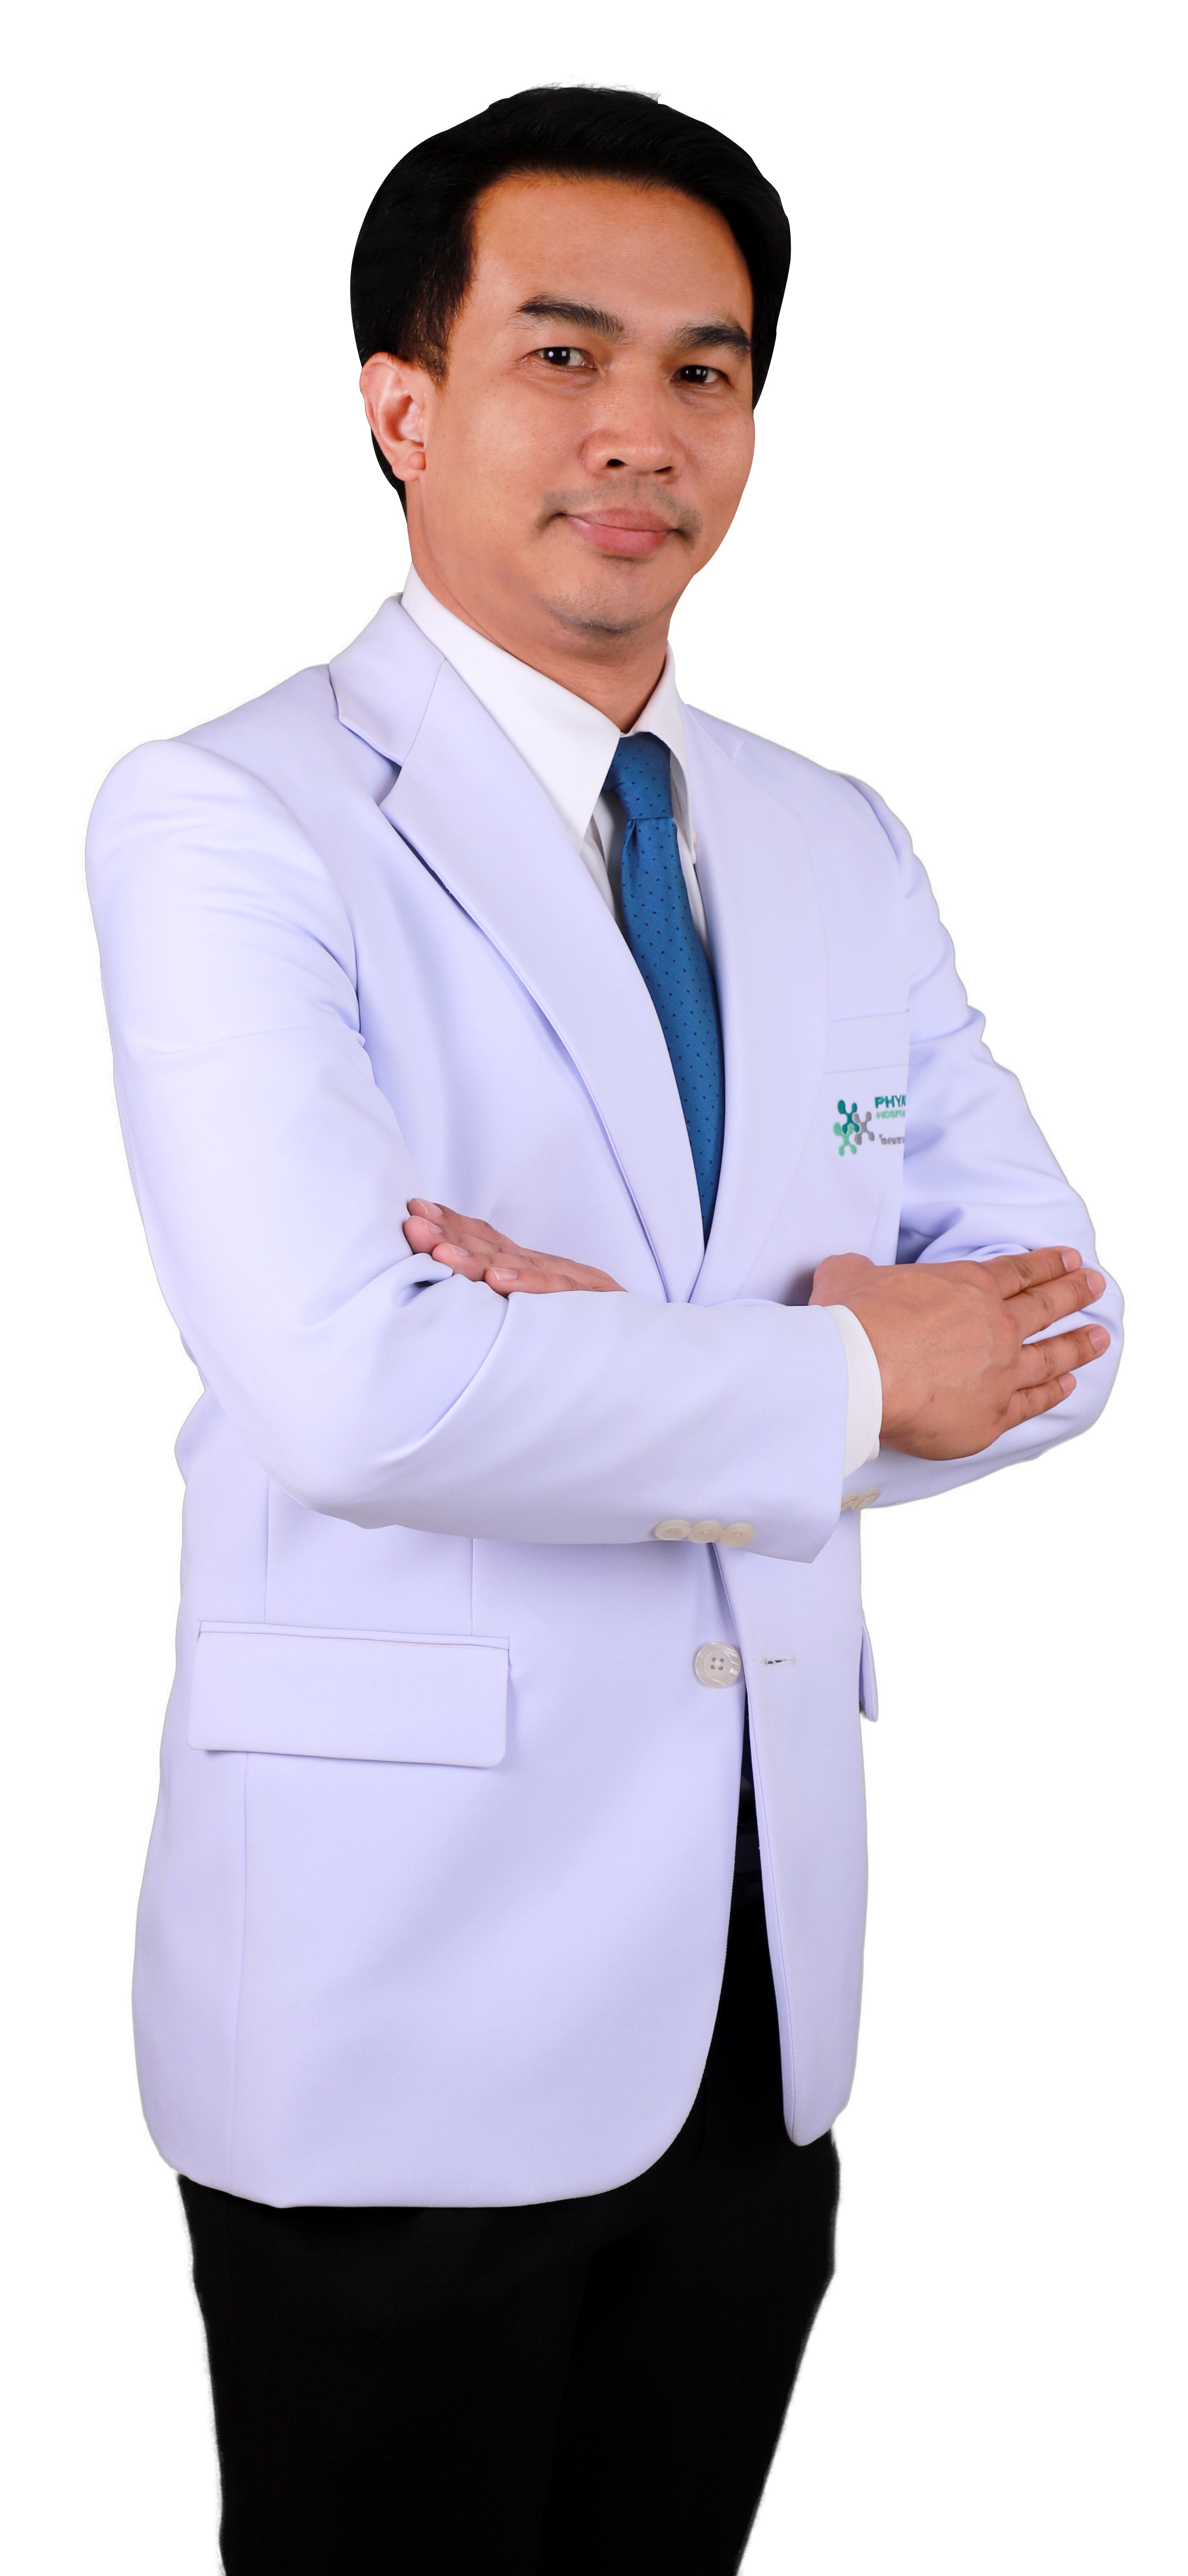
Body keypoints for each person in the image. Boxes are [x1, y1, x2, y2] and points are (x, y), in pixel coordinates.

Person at [86, 83, 1121, 2576]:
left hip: (761, 1980)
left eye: (707, 370)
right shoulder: (231, 815)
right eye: (563, 355)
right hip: (400, 1982)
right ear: (402, 400)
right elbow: (354, 1386)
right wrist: (840, 1355)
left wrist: (619, 1355)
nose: (644, 430)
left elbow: (1057, 1316)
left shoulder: (828, 832)